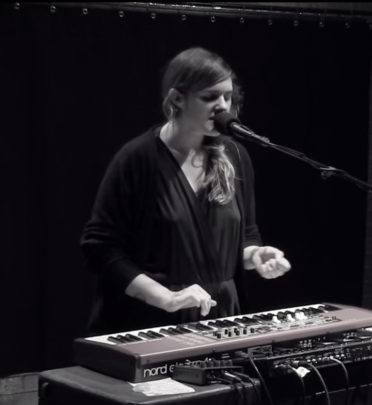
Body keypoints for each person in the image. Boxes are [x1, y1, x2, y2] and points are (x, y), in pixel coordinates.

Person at [80, 47, 290, 335]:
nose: (222, 107)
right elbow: (101, 249)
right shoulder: (137, 160)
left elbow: (245, 236)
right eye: (210, 97)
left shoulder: (235, 156)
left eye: (227, 96)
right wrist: (167, 298)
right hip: (153, 321)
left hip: (222, 318)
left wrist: (255, 255)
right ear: (177, 99)